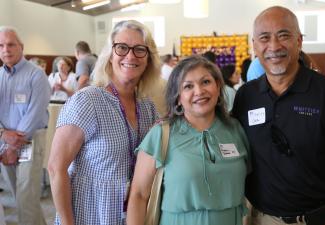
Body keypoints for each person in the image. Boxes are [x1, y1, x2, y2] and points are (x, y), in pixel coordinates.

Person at [232, 6, 325, 225]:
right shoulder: (247, 95)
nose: (274, 46)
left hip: (320, 219)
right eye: (264, 38)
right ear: (254, 46)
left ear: (299, 41)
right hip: (261, 219)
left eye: (284, 35)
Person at [47, 20, 162, 225]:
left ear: (148, 60)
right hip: (90, 214)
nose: (130, 55)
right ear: (109, 55)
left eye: (139, 49)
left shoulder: (147, 106)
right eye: (122, 47)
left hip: (131, 213)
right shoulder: (87, 101)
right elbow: (56, 168)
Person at [127, 55, 250, 225]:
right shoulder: (160, 135)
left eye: (206, 82)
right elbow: (139, 195)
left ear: (218, 85)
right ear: (177, 97)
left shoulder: (236, 130)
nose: (199, 91)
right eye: (188, 86)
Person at [0, 26, 51, 225]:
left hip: (30, 140)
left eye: (11, 44)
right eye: (1, 45)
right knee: (19, 195)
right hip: (4, 140)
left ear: (21, 47)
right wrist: (4, 136)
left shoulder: (36, 75)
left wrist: (14, 145)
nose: (6, 49)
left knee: (25, 197)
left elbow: (35, 112)